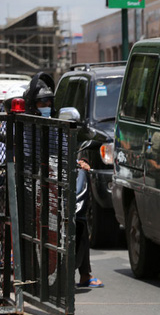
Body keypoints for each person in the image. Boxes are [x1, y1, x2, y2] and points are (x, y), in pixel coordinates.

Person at [24, 73, 103, 288]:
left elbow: (67, 153)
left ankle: (84, 274)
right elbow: (22, 158)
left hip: (59, 184)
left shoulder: (59, 125)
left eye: (49, 101)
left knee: (79, 219)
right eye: (42, 102)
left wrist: (78, 164)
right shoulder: (25, 126)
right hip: (33, 187)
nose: (46, 105)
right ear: (32, 104)